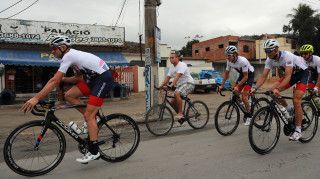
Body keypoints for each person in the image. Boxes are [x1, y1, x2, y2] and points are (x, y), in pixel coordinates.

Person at [21, 35, 113, 163]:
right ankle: (91, 117)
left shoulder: (69, 56)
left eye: (54, 48)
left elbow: (54, 81)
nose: (52, 51)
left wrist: (36, 98)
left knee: (88, 116)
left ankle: (94, 151)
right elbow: (78, 78)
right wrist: (64, 79)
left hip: (104, 79)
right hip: (93, 80)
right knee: (69, 95)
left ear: (63, 47)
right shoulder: (72, 57)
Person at [250, 39, 309, 141]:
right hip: (291, 76)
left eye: (269, 51)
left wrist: (278, 88)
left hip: (302, 74)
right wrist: (254, 88)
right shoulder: (269, 60)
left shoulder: (287, 56)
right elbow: (263, 76)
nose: (267, 53)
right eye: (265, 51)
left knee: (296, 100)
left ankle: (298, 131)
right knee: (273, 90)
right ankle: (289, 109)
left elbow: (288, 76)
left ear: (276, 49)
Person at [218, 45, 255, 126]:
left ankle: (249, 116)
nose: (227, 57)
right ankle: (245, 104)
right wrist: (221, 85)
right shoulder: (229, 62)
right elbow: (226, 74)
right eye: (226, 55)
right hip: (242, 75)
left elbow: (246, 77)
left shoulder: (243, 61)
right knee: (235, 93)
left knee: (244, 96)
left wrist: (238, 86)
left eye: (229, 55)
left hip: (249, 75)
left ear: (235, 54)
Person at [158, 53, 194, 123]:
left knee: (177, 93)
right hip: (180, 86)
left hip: (189, 83)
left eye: (172, 58)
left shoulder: (182, 65)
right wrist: (161, 86)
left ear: (177, 58)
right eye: (170, 58)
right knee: (172, 101)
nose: (171, 59)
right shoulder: (172, 68)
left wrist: (171, 85)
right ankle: (182, 113)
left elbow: (177, 76)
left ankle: (180, 113)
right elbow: (168, 78)